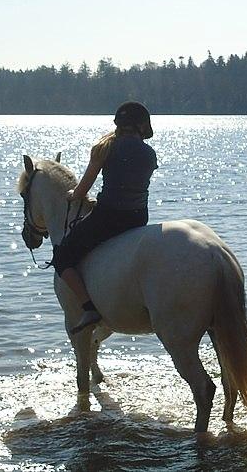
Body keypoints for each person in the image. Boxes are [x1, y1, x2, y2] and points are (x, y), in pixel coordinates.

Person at [53, 101, 158, 334]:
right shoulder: (150, 154)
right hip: (138, 218)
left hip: (109, 217)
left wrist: (72, 195)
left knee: (62, 256)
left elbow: (82, 190)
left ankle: (89, 307)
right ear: (142, 126)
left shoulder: (104, 149)